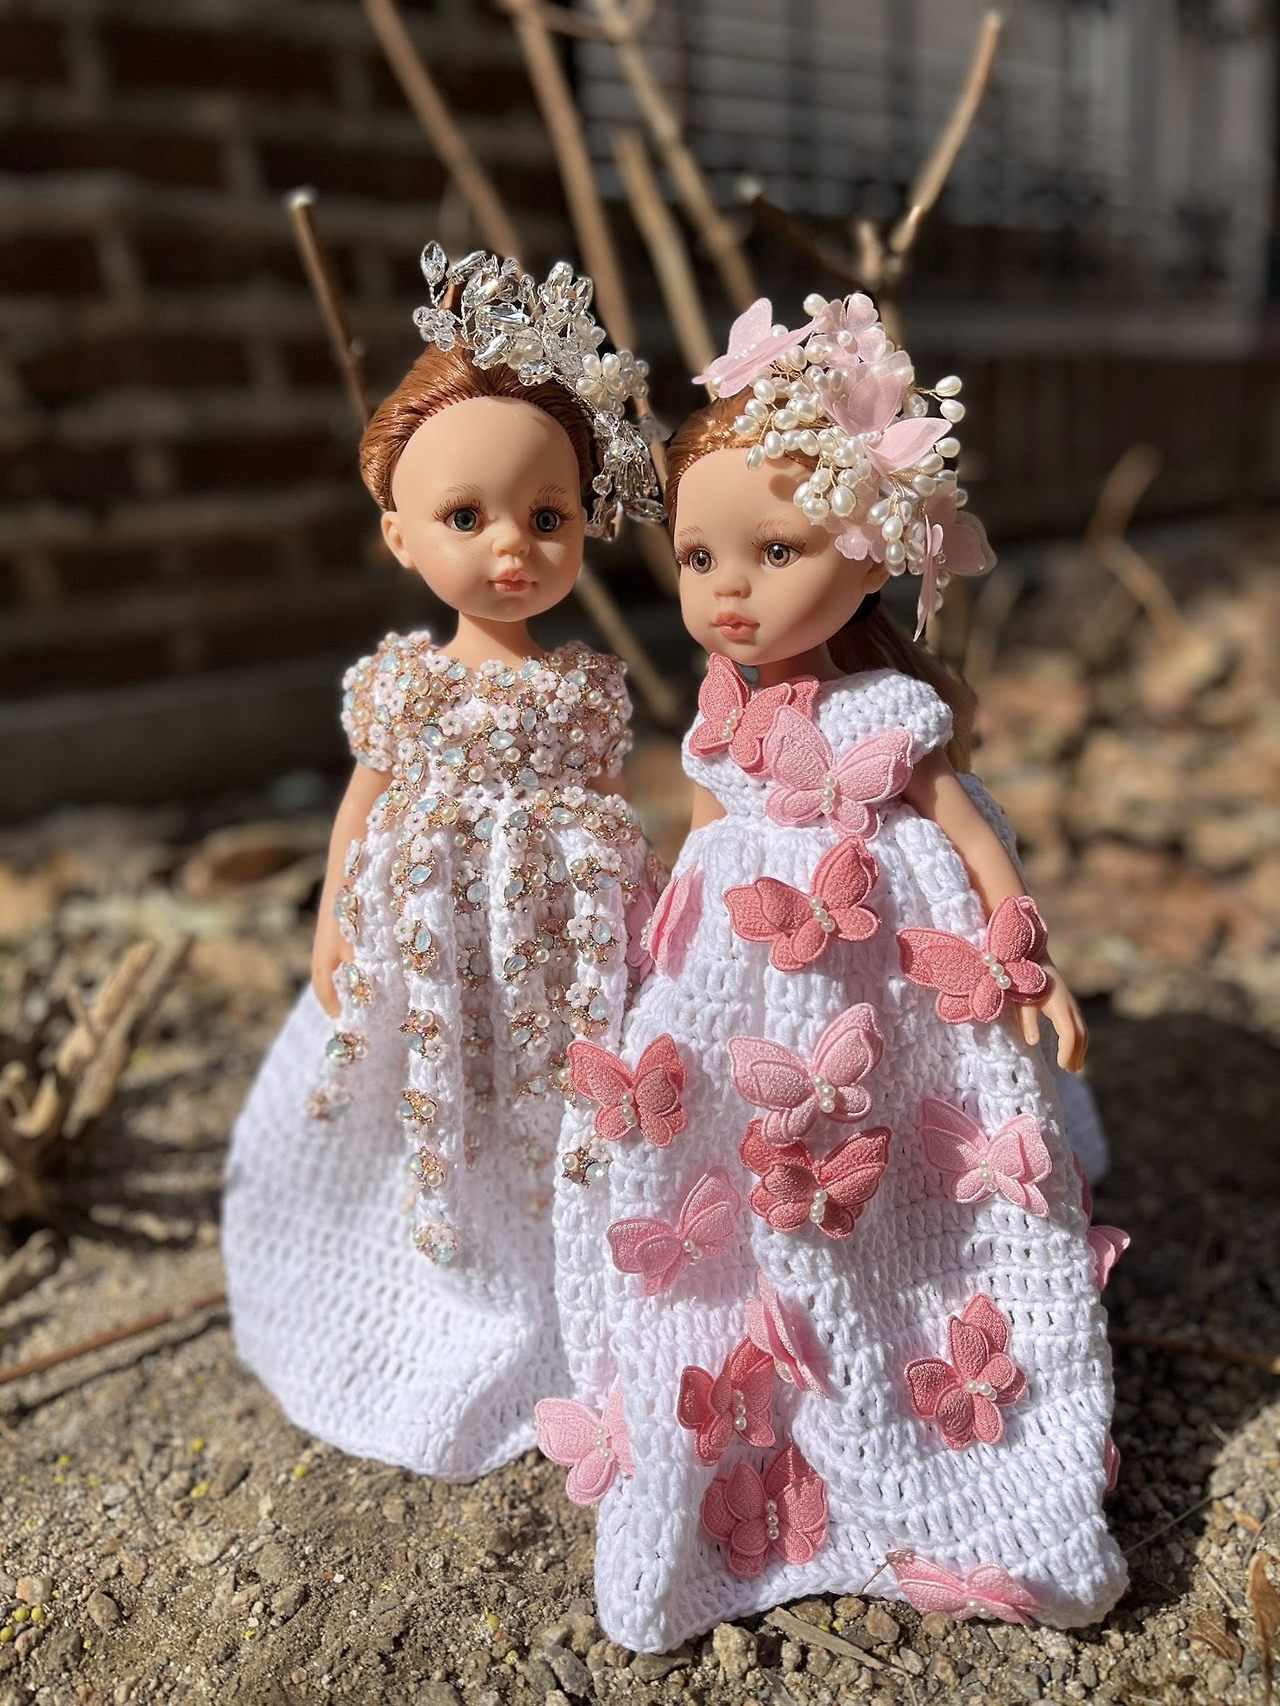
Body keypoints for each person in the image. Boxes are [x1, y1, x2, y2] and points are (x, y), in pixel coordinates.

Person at [541, 293, 1128, 1651]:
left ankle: (909, 1311)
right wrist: (646, 966)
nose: (727, 588)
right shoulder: (718, 719)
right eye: (699, 554)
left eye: (774, 549)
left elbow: (970, 837)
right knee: (720, 1167)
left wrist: (1025, 959)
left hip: (885, 987)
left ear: (870, 554)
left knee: (904, 1156)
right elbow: (700, 847)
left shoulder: (891, 713)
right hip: (733, 990)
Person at [223, 247, 664, 1481]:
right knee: (421, 1082)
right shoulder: (403, 683)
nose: (511, 547)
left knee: (554, 1093)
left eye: (546, 517)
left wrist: (648, 917)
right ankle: (429, 1247)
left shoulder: (582, 687)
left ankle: (566, 1246)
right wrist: (331, 915)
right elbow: (362, 800)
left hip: (560, 949)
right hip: (427, 937)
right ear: (399, 535)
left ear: (582, 526)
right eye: (466, 518)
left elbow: (612, 811)